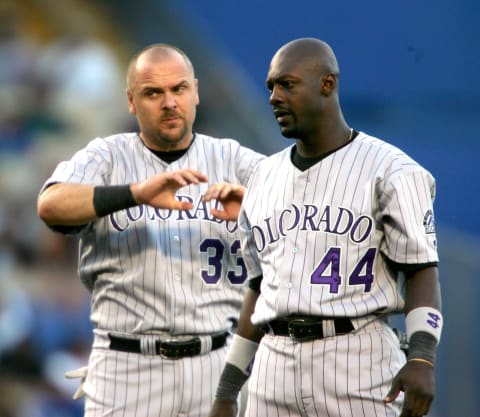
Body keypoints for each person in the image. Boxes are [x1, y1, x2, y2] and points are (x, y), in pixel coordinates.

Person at [206, 38, 443, 417]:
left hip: (356, 358)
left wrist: (422, 357)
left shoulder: (392, 171)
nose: (274, 97)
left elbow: (421, 269)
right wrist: (227, 389)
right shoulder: (263, 176)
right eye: (270, 87)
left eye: (287, 84)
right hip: (274, 366)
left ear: (327, 84)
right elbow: (257, 288)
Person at [36, 43, 265, 417]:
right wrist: (135, 193)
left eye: (178, 89)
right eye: (153, 93)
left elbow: (305, 212)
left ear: (195, 92)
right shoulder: (107, 156)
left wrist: (257, 209)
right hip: (127, 366)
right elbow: (51, 206)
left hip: (219, 362)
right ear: (131, 101)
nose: (169, 102)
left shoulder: (233, 159)